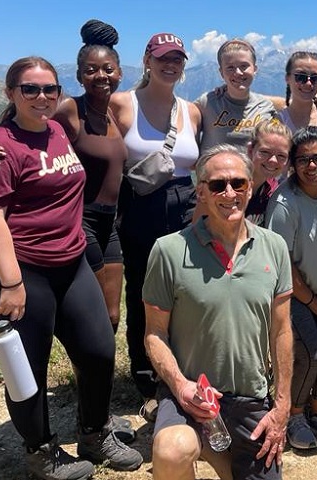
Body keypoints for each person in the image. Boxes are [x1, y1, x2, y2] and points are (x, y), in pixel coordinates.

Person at [0, 57, 142, 480]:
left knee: (99, 349)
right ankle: (41, 454)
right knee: (28, 370)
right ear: (11, 94)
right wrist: (11, 282)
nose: (41, 97)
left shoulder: (59, 130)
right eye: (30, 89)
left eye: (50, 89)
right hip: (19, 271)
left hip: (70, 261)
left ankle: (94, 433)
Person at [0, 20, 129, 333]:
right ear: (79, 76)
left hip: (112, 225)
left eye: (108, 69)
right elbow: (26, 122)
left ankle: (99, 375)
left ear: (120, 72)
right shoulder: (68, 111)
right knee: (98, 317)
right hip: (84, 222)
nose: (101, 77)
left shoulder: (118, 108)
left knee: (113, 314)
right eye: (91, 70)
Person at [143, 144, 294, 480]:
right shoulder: (168, 251)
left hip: (251, 400)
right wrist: (181, 386)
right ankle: (201, 442)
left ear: (251, 188)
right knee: (172, 450)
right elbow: (154, 334)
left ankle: (216, 450)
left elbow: (282, 331)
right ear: (201, 193)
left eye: (239, 183)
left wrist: (281, 407)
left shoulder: (275, 247)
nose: (230, 193)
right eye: (217, 185)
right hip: (192, 393)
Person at [109, 32, 203, 417]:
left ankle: (181, 371)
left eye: (178, 59)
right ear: (147, 60)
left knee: (187, 291)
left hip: (186, 205)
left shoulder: (192, 111)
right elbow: (72, 121)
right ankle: (147, 379)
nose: (171, 65)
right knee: (143, 294)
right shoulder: (122, 104)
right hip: (139, 205)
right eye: (163, 57)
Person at [265, 126, 317, 450]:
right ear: (293, 164)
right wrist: (311, 300)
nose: (312, 166)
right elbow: (280, 258)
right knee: (309, 355)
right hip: (291, 293)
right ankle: (294, 416)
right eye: (303, 160)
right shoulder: (285, 202)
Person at [196, 38, 283, 153]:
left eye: (244, 66)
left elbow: (299, 104)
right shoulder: (206, 103)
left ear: (255, 69)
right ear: (221, 72)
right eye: (230, 67)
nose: (238, 72)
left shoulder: (266, 106)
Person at [277, 51, 317, 146]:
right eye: (301, 77)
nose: (308, 83)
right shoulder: (279, 122)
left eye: (315, 78)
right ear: (287, 78)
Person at [245, 119, 292, 226]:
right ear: (250, 150)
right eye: (265, 152)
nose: (273, 160)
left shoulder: (273, 191)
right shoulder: (228, 185)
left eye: (281, 156)